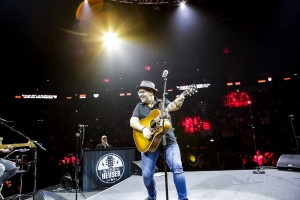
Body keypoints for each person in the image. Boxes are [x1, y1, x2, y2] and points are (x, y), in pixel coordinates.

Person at [130, 80, 188, 200]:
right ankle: (152, 197)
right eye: (139, 92)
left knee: (177, 167)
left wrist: (178, 103)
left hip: (169, 142)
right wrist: (143, 129)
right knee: (146, 176)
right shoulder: (139, 107)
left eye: (142, 92)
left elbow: (173, 106)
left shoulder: (163, 103)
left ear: (151, 92)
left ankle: (183, 198)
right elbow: (132, 121)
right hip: (149, 145)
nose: (140, 94)